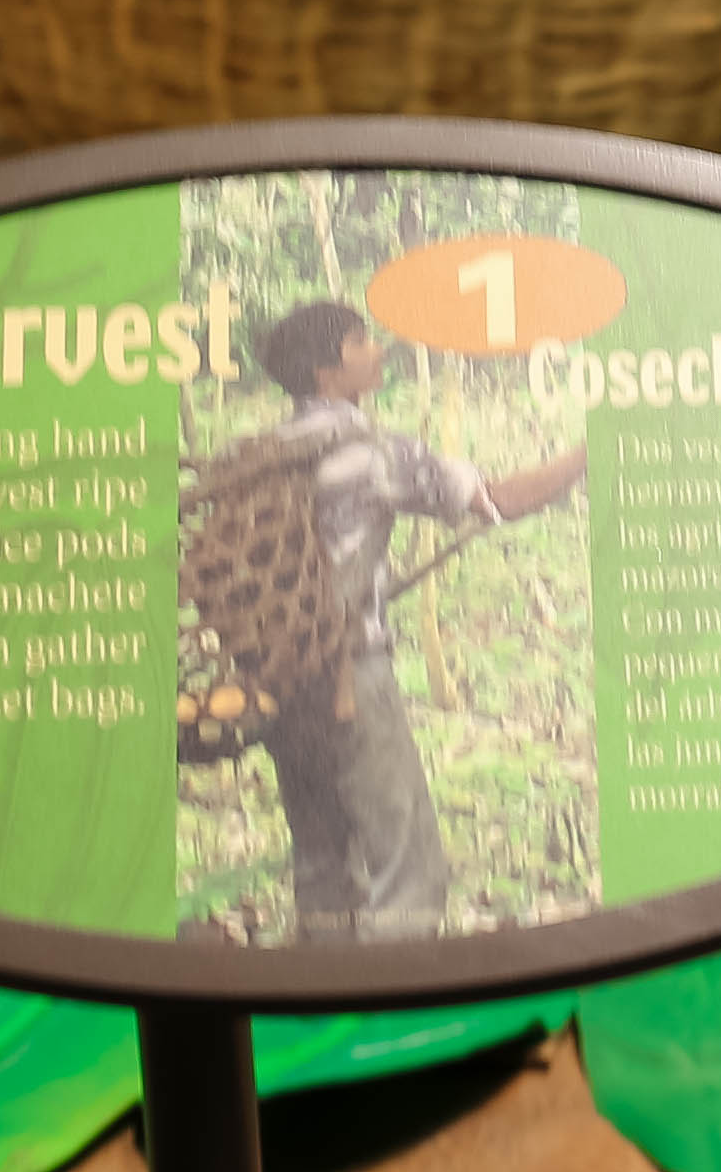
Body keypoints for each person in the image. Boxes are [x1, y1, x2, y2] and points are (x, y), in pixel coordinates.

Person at [238, 302, 583, 941]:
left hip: (280, 682)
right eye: (360, 340)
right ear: (329, 366)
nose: (376, 351)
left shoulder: (262, 453)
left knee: (321, 867)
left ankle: (325, 1007)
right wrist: (584, 457)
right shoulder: (371, 454)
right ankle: (388, 1016)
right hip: (351, 678)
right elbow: (497, 497)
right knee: (408, 870)